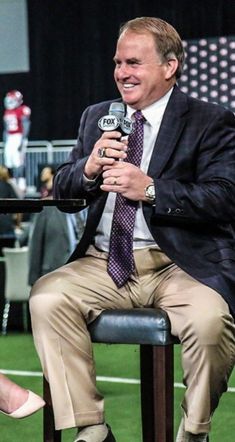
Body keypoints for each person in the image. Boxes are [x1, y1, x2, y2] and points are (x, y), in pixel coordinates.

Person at [29, 17, 235, 442]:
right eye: (118, 62)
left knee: (211, 320)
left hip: (179, 264)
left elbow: (224, 197)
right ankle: (92, 428)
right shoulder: (97, 117)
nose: (122, 73)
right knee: (47, 297)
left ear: (169, 66)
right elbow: (65, 192)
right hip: (103, 261)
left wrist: (153, 189)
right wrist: (87, 168)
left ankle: (194, 432)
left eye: (134, 63)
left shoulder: (210, 121)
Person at [3, 90, 31, 191]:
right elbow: (6, 129)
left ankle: (22, 183)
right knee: (9, 161)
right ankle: (12, 182)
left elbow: (26, 125)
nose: (9, 102)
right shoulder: (7, 111)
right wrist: (5, 141)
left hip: (19, 136)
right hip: (10, 138)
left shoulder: (22, 110)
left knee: (19, 161)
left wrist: (23, 140)